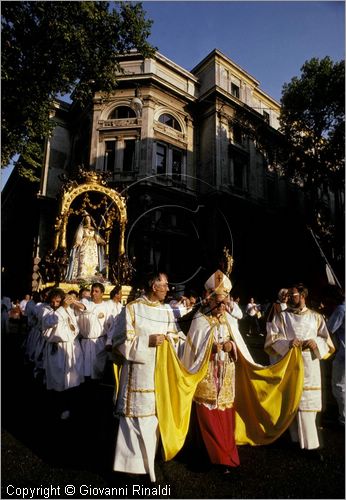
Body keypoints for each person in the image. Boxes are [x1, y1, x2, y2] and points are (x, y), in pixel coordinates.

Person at [182, 270, 257, 473]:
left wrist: (231, 346)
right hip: (206, 374)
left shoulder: (229, 319)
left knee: (225, 415)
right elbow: (193, 346)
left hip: (226, 374)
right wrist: (212, 348)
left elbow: (238, 343)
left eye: (225, 302)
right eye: (219, 302)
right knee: (207, 416)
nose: (222, 307)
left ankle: (226, 454)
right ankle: (216, 457)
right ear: (210, 299)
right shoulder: (200, 319)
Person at [111, 272, 183, 482]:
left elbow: (175, 336)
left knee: (152, 422)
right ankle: (131, 471)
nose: (168, 288)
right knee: (134, 422)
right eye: (165, 284)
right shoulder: (133, 308)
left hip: (159, 375)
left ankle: (148, 466)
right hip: (137, 376)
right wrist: (147, 341)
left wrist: (171, 340)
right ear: (154, 286)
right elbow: (120, 342)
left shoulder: (167, 310)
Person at [265, 284, 335, 459]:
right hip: (290, 362)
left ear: (303, 295)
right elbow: (271, 339)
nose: (289, 298)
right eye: (288, 295)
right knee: (291, 402)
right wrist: (288, 343)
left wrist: (315, 343)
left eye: (293, 295)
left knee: (307, 404)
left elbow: (327, 341)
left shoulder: (316, 317)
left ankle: (311, 445)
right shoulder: (282, 317)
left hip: (310, 364)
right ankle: (295, 439)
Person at [42, 288, 84, 419]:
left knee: (72, 379)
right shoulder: (47, 311)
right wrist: (62, 307)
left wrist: (73, 301)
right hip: (58, 349)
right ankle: (58, 406)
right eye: (53, 302)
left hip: (72, 347)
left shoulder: (68, 310)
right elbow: (49, 321)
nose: (55, 304)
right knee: (58, 380)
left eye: (58, 302)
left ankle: (70, 406)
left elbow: (84, 309)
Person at [77, 282, 111, 380]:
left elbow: (111, 326)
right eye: (92, 291)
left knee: (98, 371)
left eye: (97, 291)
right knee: (84, 371)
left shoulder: (106, 307)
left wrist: (109, 342)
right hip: (85, 342)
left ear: (102, 293)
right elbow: (82, 308)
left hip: (99, 343)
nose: (93, 293)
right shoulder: (86, 302)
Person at [65, 214, 106, 281]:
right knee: (84, 259)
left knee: (93, 261)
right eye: (86, 219)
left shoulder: (94, 229)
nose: (88, 220)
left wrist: (102, 241)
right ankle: (83, 275)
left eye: (89, 219)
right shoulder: (82, 228)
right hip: (85, 246)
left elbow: (97, 238)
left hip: (93, 247)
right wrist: (78, 242)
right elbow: (79, 236)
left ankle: (93, 275)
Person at [327, 289, 345, 426]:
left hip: (343, 354)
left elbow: (329, 329)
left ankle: (343, 419)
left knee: (339, 386)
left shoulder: (341, 309)